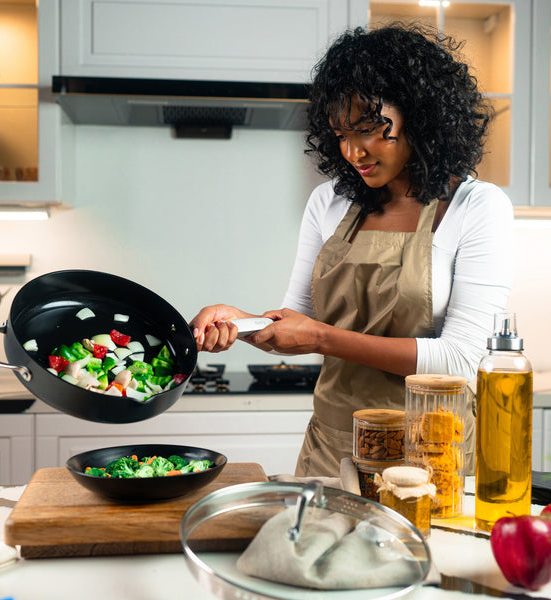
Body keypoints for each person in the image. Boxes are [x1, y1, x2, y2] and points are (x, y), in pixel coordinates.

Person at [189, 23, 515, 477]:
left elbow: (459, 359)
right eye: (341, 134)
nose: (354, 151)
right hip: (333, 450)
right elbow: (297, 321)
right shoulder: (329, 202)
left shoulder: (477, 207)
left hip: (432, 458)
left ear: (420, 115)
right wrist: (240, 323)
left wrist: (322, 337)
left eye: (368, 129)